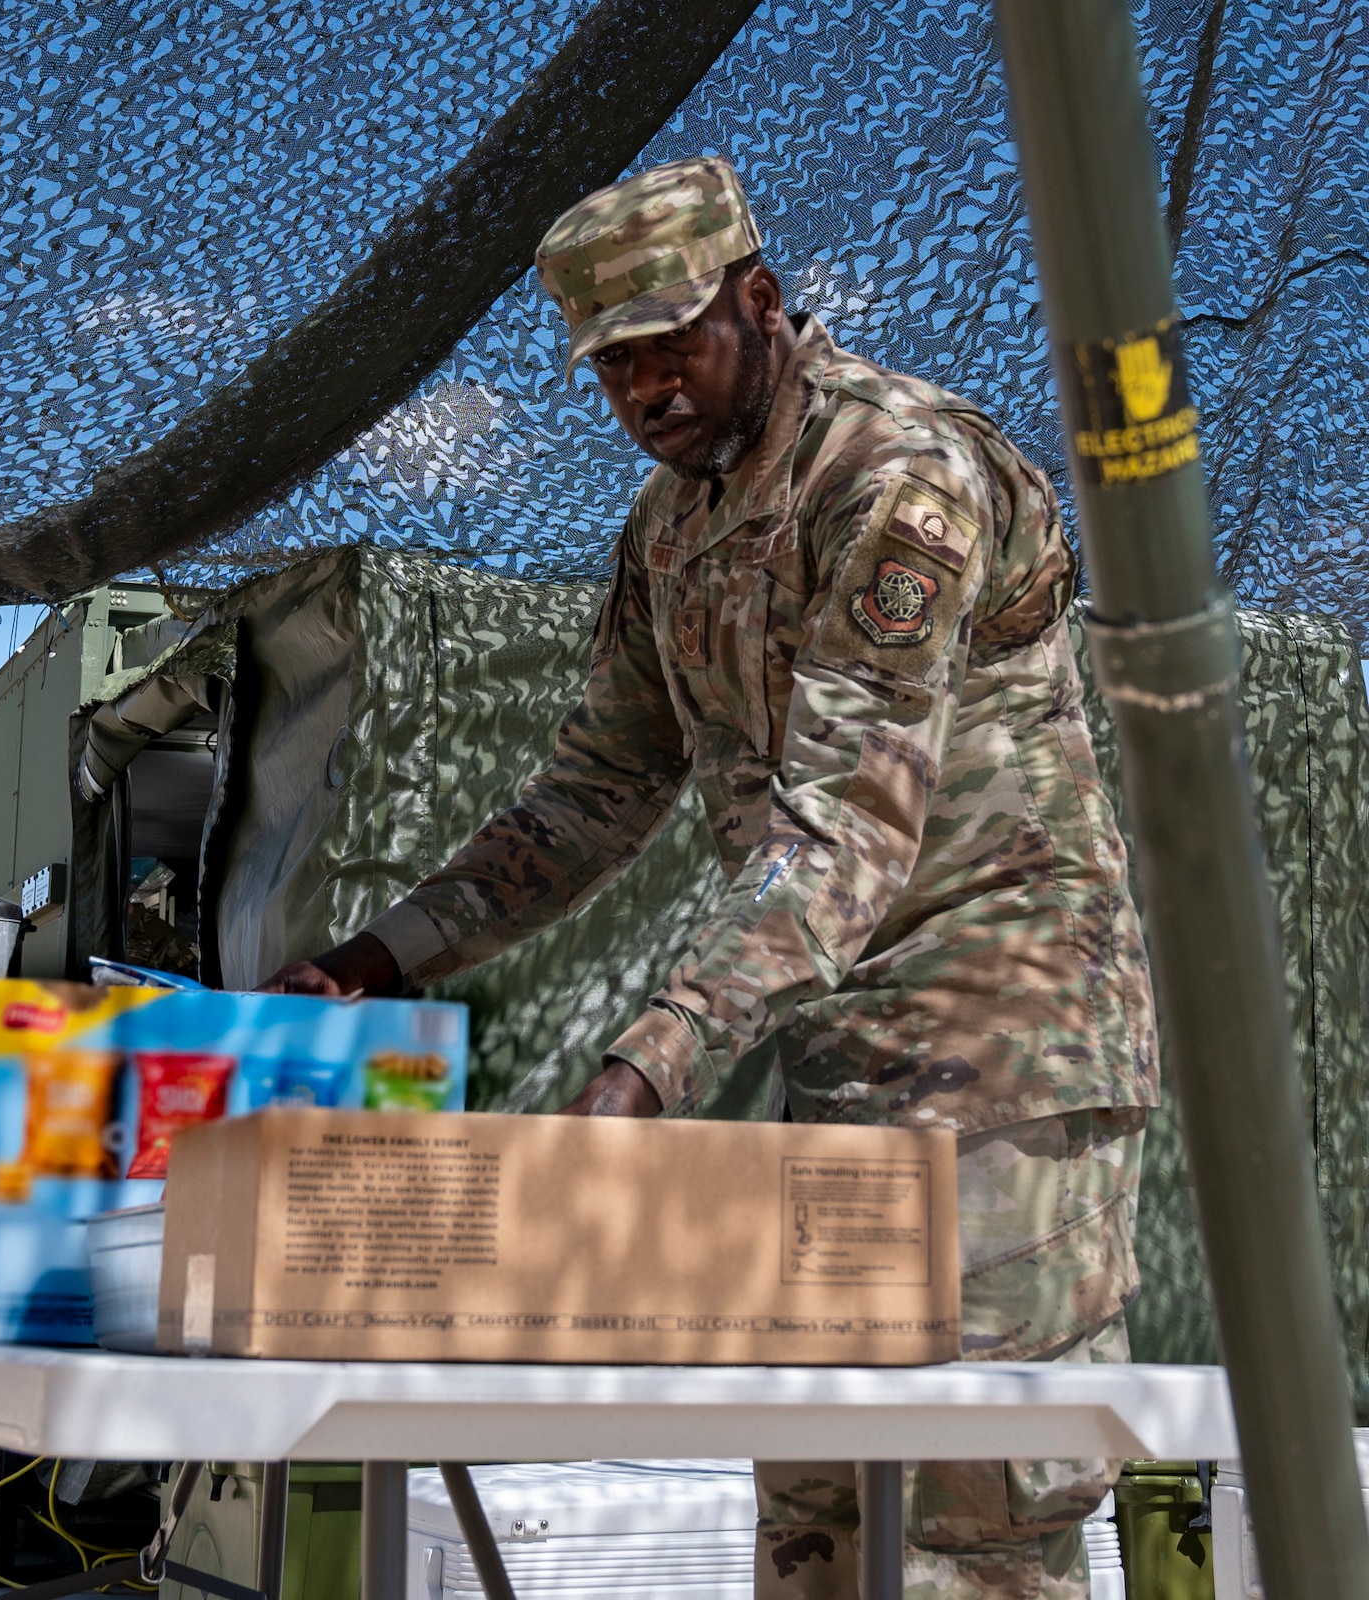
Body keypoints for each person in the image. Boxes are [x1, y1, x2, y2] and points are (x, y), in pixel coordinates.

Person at [265, 157, 1159, 1600]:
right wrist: (379, 960)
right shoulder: (671, 534)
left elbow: (845, 828)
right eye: (613, 366)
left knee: (965, 1530)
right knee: (815, 1510)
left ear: (761, 299)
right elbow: (593, 794)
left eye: (672, 345)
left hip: (1006, 1054)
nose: (646, 391)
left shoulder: (895, 477)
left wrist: (646, 1068)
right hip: (840, 1056)